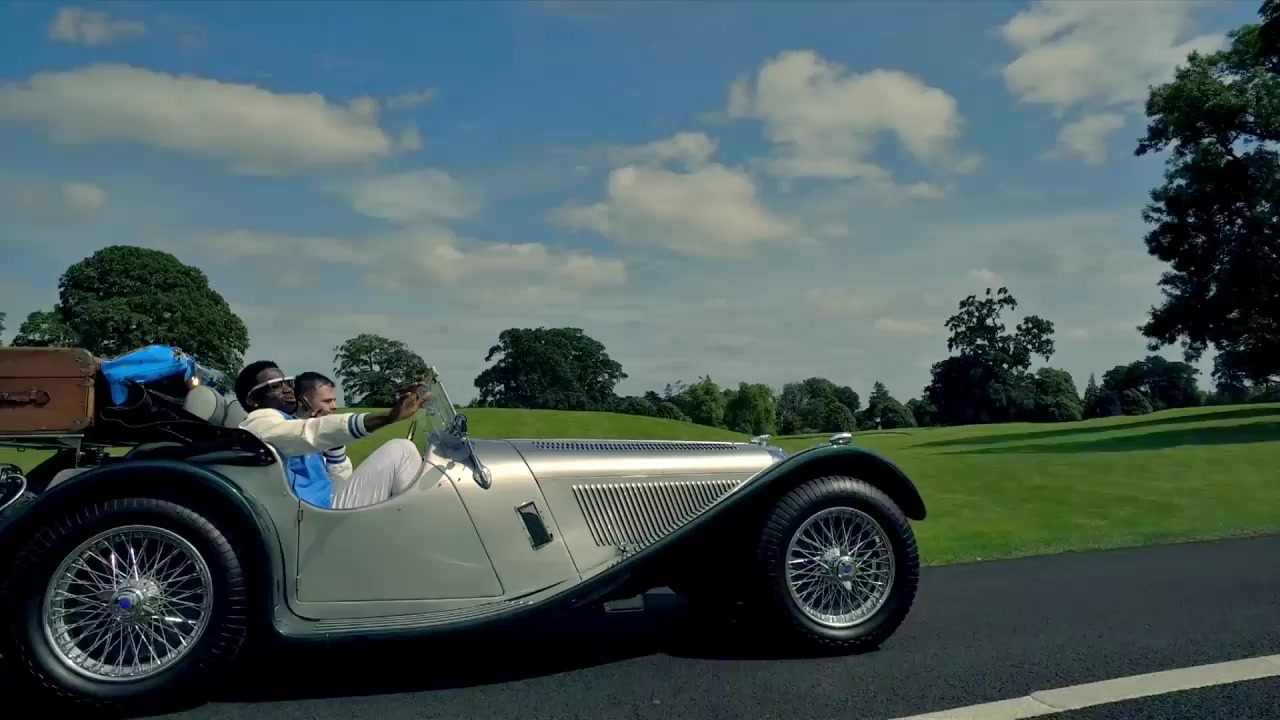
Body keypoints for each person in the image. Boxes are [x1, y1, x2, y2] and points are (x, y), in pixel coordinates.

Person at [233, 360, 427, 510]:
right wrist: (387, 417)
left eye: (287, 382)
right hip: (310, 514)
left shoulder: (286, 424)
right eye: (275, 386)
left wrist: (333, 445)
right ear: (253, 399)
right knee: (402, 450)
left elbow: (339, 482)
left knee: (401, 450)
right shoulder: (257, 423)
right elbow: (308, 433)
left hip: (324, 505)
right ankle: (421, 526)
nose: (288, 389)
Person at [293, 371, 352, 495]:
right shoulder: (290, 436)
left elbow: (343, 483)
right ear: (303, 402)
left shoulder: (326, 433)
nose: (334, 406)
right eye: (327, 401)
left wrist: (335, 444)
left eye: (334, 400)